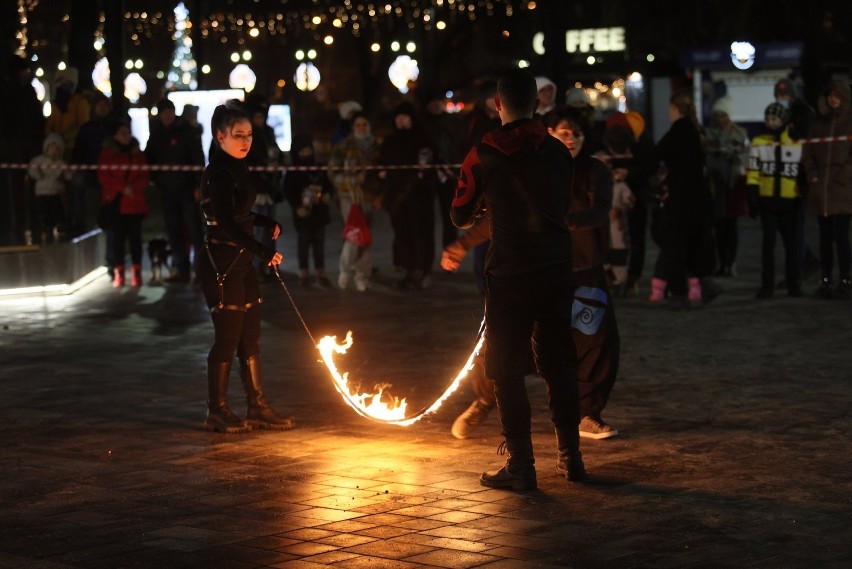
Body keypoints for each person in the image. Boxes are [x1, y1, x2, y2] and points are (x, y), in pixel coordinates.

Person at [451, 68, 585, 490]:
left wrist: (487, 208)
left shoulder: (483, 153)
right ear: (537, 103)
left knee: (505, 370)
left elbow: (459, 214)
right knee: (559, 364)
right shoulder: (559, 151)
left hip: (511, 274)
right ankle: (571, 458)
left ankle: (522, 466)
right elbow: (562, 204)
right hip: (556, 267)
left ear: (497, 104)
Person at [195, 102, 295, 434]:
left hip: (242, 264)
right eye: (238, 135)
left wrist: (263, 221)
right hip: (221, 264)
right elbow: (223, 221)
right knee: (227, 338)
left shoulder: (238, 166)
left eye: (249, 135)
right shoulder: (220, 172)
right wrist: (262, 250)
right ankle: (217, 410)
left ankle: (257, 406)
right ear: (219, 136)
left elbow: (238, 213)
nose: (245, 141)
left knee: (250, 338)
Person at [653, 90, 717, 309]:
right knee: (695, 243)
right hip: (698, 198)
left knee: (675, 247)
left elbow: (656, 155)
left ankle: (679, 293)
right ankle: (706, 283)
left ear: (673, 109)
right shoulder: (695, 132)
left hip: (679, 200)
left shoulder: (677, 132)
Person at [746, 102, 804, 299]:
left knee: (791, 245)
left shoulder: (796, 141)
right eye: (768, 119)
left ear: (784, 120)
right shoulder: (759, 141)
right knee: (768, 245)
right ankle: (767, 285)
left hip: (790, 201)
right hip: (768, 201)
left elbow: (802, 171)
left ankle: (793, 284)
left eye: (775, 119)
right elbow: (753, 171)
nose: (771, 123)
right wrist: (753, 197)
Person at [377, 102, 437, 290]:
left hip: (419, 196)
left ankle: (420, 270)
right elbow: (382, 164)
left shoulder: (423, 139)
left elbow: (429, 166)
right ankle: (408, 270)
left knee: (420, 233)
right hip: (397, 198)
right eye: (398, 117)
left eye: (405, 117)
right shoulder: (390, 141)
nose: (401, 121)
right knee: (402, 234)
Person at [145, 97, 205, 283]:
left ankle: (201, 270)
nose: (167, 115)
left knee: (195, 231)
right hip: (168, 191)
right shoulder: (156, 134)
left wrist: (198, 186)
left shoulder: (186, 131)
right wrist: (157, 181)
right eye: (164, 112)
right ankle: (181, 269)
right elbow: (149, 159)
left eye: (169, 111)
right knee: (174, 231)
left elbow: (197, 159)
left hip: (187, 189)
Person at [801, 80, 852, 299]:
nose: (833, 99)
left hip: (842, 190)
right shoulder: (818, 123)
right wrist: (812, 175)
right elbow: (808, 152)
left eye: (837, 95)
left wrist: (844, 176)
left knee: (841, 236)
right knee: (824, 237)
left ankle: (845, 280)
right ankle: (826, 280)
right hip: (821, 190)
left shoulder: (849, 123)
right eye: (830, 95)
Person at [774, 78, 820, 284]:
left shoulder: (805, 114)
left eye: (785, 96)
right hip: (784, 176)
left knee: (795, 226)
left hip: (799, 176)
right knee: (789, 227)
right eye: (779, 96)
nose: (782, 99)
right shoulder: (786, 113)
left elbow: (806, 144)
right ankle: (806, 261)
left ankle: (798, 269)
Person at [328, 111, 380, 291]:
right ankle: (345, 270)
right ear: (352, 127)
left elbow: (382, 173)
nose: (361, 128)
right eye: (358, 125)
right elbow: (333, 172)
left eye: (364, 124)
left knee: (366, 237)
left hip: (369, 197)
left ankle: (362, 275)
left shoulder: (375, 147)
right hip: (349, 197)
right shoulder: (343, 146)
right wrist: (352, 181)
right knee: (353, 234)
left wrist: (378, 191)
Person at [97, 118, 150, 288]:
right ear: (115, 136)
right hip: (117, 204)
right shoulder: (107, 154)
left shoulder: (137, 153)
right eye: (123, 133)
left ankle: (136, 272)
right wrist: (123, 187)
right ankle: (118, 272)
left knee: (136, 240)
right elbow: (104, 176)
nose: (127, 136)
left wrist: (134, 188)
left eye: (128, 132)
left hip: (135, 203)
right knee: (117, 240)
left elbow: (145, 174)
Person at [704, 95, 749, 277]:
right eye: (716, 115)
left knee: (732, 227)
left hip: (734, 183)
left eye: (723, 115)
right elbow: (706, 155)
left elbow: (747, 155)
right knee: (719, 227)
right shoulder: (709, 134)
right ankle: (720, 262)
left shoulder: (740, 133)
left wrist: (735, 157)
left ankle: (731, 262)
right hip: (716, 185)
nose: (719, 119)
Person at [284, 134, 334, 287]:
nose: (306, 155)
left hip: (319, 213)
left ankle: (321, 272)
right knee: (303, 243)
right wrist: (297, 206)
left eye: (308, 151)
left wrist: (327, 195)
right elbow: (288, 191)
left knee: (319, 243)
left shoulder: (319, 168)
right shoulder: (293, 172)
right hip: (303, 214)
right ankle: (303, 272)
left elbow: (328, 186)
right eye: (302, 152)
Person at [71, 92, 112, 238]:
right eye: (99, 106)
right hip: (90, 171)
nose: (102, 109)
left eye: (105, 106)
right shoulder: (86, 129)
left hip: (109, 172)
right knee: (80, 187)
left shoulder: (113, 127)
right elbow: (79, 150)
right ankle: (80, 224)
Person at [28, 133, 71, 244]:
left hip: (56, 191)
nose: (54, 150)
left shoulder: (61, 163)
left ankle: (59, 226)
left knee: (56, 210)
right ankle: (46, 228)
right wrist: (39, 175)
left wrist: (69, 173)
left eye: (57, 148)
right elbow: (32, 170)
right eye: (52, 147)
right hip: (42, 192)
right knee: (44, 211)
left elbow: (68, 175)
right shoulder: (38, 160)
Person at [44, 67, 89, 162]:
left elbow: (83, 126)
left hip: (72, 147)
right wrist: (52, 137)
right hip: (56, 146)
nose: (62, 85)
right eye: (60, 82)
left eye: (66, 82)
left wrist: (64, 137)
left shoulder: (80, 102)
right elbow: (51, 123)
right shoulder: (57, 103)